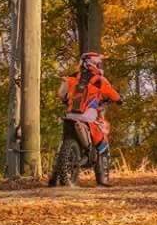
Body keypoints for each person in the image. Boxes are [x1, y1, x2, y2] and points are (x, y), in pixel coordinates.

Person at [51, 51, 121, 186]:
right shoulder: (100, 81)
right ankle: (103, 180)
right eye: (98, 63)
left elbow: (61, 94)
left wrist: (68, 99)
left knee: (63, 145)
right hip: (88, 119)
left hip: (70, 116)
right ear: (92, 64)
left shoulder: (71, 78)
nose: (100, 66)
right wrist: (119, 99)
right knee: (102, 142)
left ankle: (54, 179)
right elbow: (114, 95)